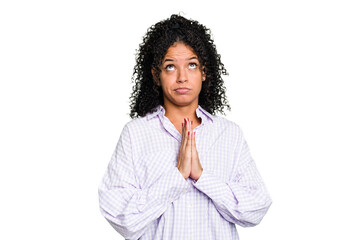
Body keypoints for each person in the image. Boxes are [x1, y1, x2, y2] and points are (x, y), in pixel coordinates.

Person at [98, 14, 272, 240]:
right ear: (156, 75)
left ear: (204, 72)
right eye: (170, 67)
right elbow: (121, 216)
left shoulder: (229, 134)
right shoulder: (136, 134)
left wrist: (201, 177)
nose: (182, 77)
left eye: (191, 65)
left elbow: (256, 207)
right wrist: (177, 176)